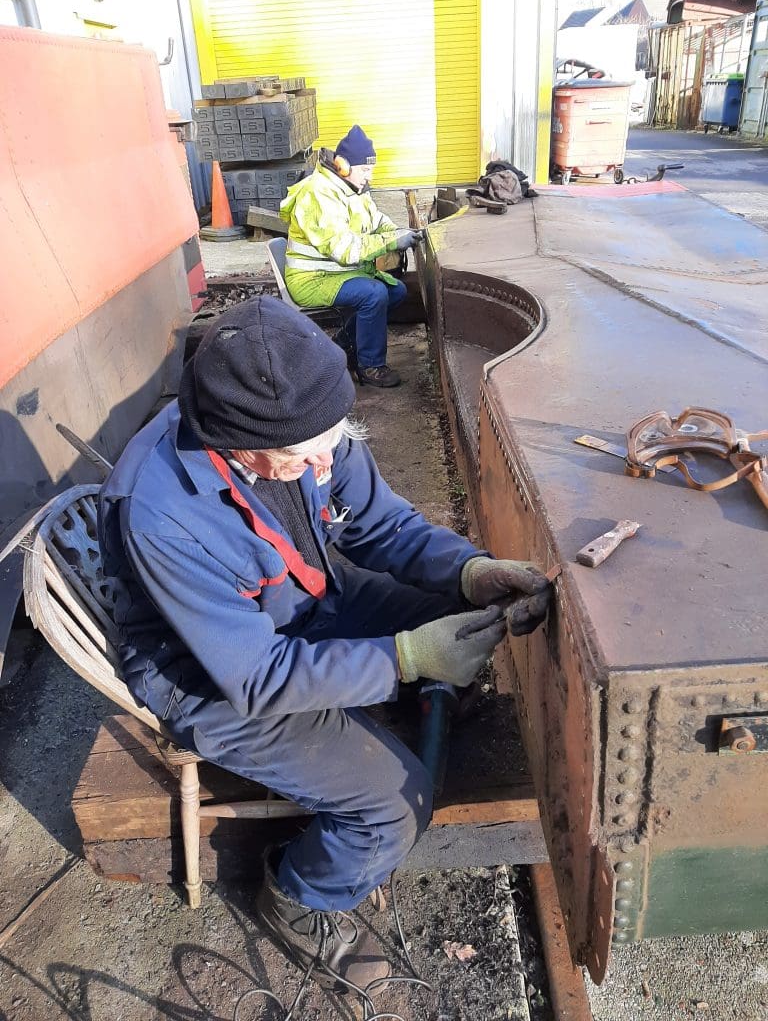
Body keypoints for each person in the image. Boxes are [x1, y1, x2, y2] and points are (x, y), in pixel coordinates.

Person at [98, 296, 551, 994]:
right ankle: (299, 895)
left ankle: (420, 688)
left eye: (332, 438)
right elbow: (255, 677)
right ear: (234, 442)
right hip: (211, 677)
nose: (325, 457)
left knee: (456, 606)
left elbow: (380, 525)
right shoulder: (161, 512)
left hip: (298, 604)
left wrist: (469, 570)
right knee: (394, 810)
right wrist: (406, 658)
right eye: (303, 452)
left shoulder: (305, 429)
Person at [280, 124, 424, 389]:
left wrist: (398, 232)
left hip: (336, 273)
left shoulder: (352, 189)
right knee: (374, 294)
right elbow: (345, 249)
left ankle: (344, 344)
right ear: (343, 166)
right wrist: (390, 241)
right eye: (365, 170)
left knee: (397, 291)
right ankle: (370, 366)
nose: (368, 177)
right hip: (312, 278)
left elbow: (376, 220)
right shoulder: (318, 194)